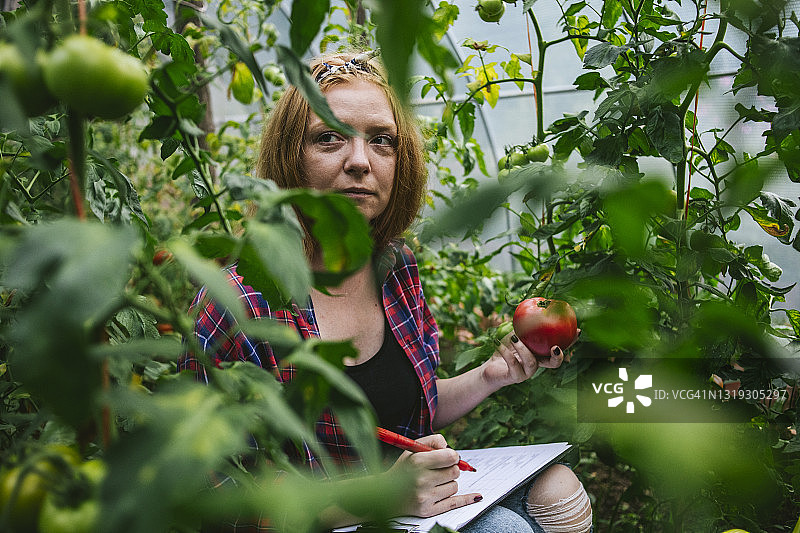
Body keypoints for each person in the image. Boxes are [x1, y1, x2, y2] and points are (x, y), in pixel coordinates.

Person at [179, 49, 592, 533]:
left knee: (560, 492)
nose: (360, 161)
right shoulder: (238, 304)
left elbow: (409, 406)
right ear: (290, 158)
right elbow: (216, 500)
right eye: (329, 138)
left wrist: (491, 375)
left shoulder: (394, 268)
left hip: (408, 504)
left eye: (381, 141)